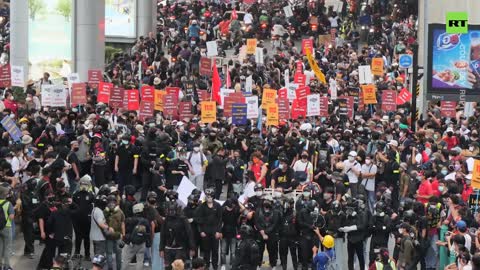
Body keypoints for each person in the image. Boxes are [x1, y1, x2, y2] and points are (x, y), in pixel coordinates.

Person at [160, 201, 195, 270]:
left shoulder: (183, 219)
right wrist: (161, 249)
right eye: (170, 210)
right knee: (168, 268)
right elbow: (162, 235)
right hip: (168, 248)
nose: (171, 212)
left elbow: (189, 234)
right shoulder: (166, 220)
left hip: (180, 248)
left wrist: (192, 248)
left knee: (178, 268)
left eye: (172, 210)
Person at [196, 188, 222, 270]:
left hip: (215, 231)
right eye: (207, 196)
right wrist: (201, 231)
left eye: (210, 196)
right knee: (206, 251)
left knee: (215, 250)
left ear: (213, 196)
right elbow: (198, 219)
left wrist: (218, 231)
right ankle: (206, 266)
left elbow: (220, 220)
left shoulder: (217, 205)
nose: (209, 197)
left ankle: (215, 266)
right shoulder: (202, 206)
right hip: (205, 231)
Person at [122, 203, 151, 270]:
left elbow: (126, 231)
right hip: (141, 243)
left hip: (131, 243)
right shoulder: (145, 221)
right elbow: (148, 232)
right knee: (140, 261)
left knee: (126, 260)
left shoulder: (129, 220)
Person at [104, 194, 125, 270]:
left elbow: (102, 224)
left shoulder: (104, 212)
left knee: (109, 254)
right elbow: (123, 223)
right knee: (118, 254)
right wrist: (123, 234)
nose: (111, 204)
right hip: (117, 236)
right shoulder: (120, 211)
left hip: (109, 236)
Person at [0, 186, 13, 270]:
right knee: (7, 247)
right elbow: (11, 216)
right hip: (7, 227)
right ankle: (6, 266)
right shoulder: (8, 203)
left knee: (0, 247)